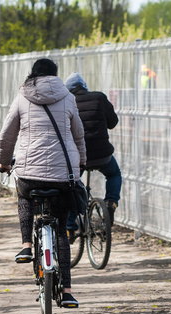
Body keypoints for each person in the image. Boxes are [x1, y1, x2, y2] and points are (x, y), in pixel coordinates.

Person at [0, 58, 86, 308]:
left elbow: (7, 134)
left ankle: (26, 245)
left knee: (24, 195)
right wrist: (80, 163)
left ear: (32, 74)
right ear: (56, 75)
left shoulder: (22, 97)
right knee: (59, 230)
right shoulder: (68, 97)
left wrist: (4, 162)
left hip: (29, 172)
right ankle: (67, 290)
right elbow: (79, 135)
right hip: (63, 176)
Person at [63, 72, 121, 228]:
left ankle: (69, 225)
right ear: (85, 86)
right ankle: (111, 201)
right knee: (114, 174)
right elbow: (113, 122)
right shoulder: (99, 98)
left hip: (79, 158)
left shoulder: (65, 102)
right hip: (103, 155)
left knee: (73, 186)